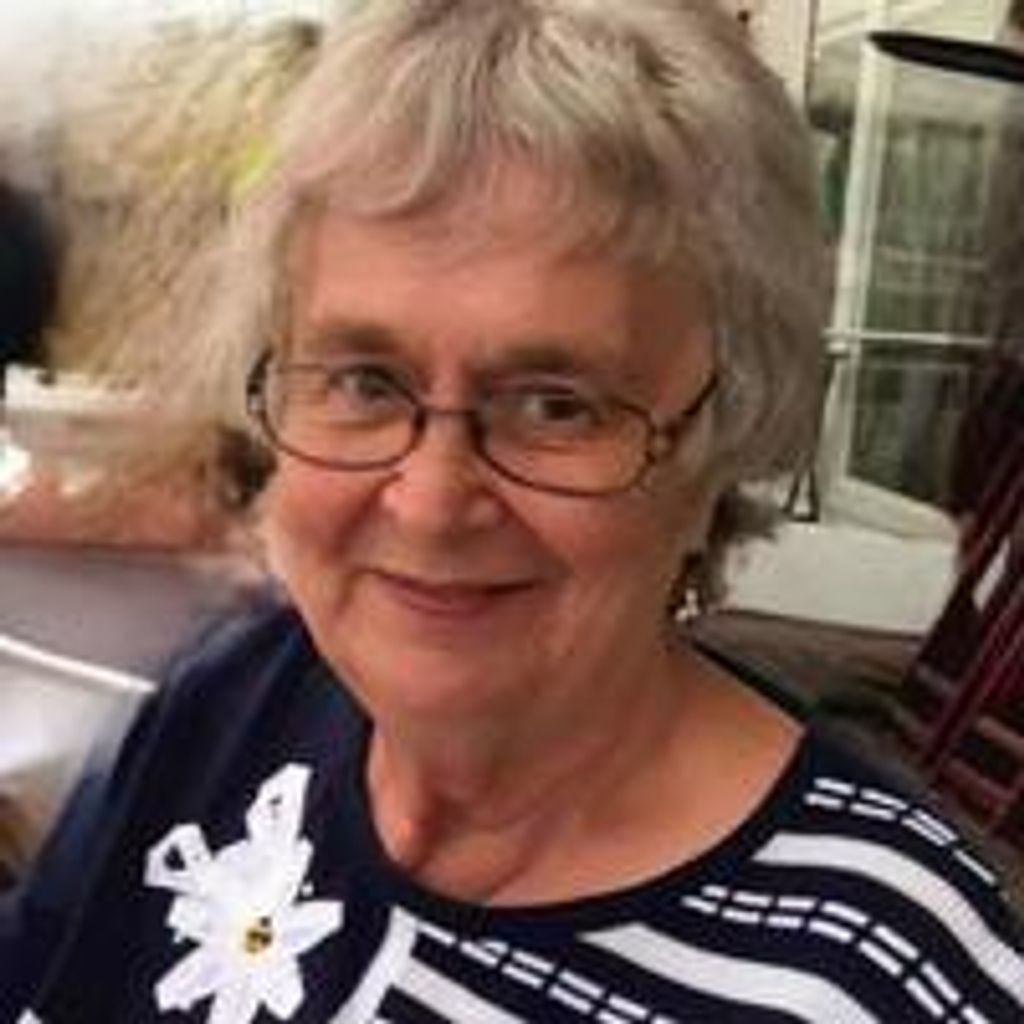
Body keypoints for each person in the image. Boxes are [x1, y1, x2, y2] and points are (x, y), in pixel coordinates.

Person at [1, 2, 1021, 1021]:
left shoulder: (888, 976)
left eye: (555, 406)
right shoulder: (236, 702)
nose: (431, 502)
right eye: (364, 381)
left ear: (722, 441)